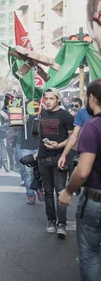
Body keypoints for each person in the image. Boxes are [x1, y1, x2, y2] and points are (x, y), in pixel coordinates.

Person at [58, 79, 101, 281]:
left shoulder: (93, 126)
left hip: (96, 200)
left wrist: (67, 192)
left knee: (90, 255)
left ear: (91, 98)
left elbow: (83, 171)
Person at [38, 87, 74, 239]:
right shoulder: (43, 113)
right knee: (47, 192)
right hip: (43, 158)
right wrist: (37, 153)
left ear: (58, 99)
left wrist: (59, 146)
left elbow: (73, 138)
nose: (48, 101)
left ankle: (62, 224)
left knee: (60, 192)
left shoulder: (66, 116)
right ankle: (51, 221)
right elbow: (41, 136)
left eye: (51, 98)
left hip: (60, 158)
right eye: (46, 99)